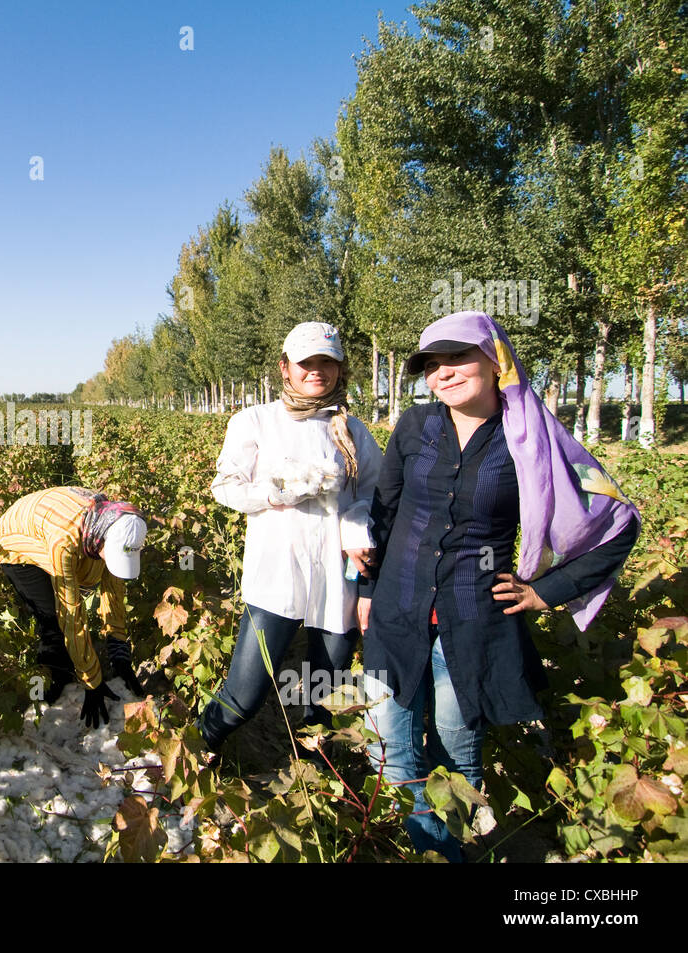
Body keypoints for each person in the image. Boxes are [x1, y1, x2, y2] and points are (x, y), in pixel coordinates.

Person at [357, 311, 640, 861]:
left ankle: (445, 854)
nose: (443, 373)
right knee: (389, 752)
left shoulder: (533, 439)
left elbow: (617, 523)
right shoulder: (415, 426)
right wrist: (365, 589)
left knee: (456, 757)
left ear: (496, 361)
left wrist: (545, 590)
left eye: (458, 358)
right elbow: (383, 511)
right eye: (432, 365)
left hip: (475, 624)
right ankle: (429, 852)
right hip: (397, 611)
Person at [199, 322, 382, 755]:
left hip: (338, 582)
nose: (316, 371)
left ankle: (317, 784)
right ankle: (196, 749)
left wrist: (356, 529)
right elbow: (225, 488)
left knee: (324, 699)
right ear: (285, 368)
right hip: (276, 578)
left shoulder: (354, 431)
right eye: (306, 363)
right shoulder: (255, 421)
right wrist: (278, 491)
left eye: (327, 363)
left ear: (340, 369)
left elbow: (371, 494)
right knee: (244, 696)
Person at [0, 486, 148, 729]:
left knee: (99, 575)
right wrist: (92, 682)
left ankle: (76, 670)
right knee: (52, 619)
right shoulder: (65, 539)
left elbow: (114, 591)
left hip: (49, 525)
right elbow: (71, 613)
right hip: (20, 543)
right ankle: (55, 688)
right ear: (99, 539)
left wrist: (119, 650)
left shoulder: (113, 524)